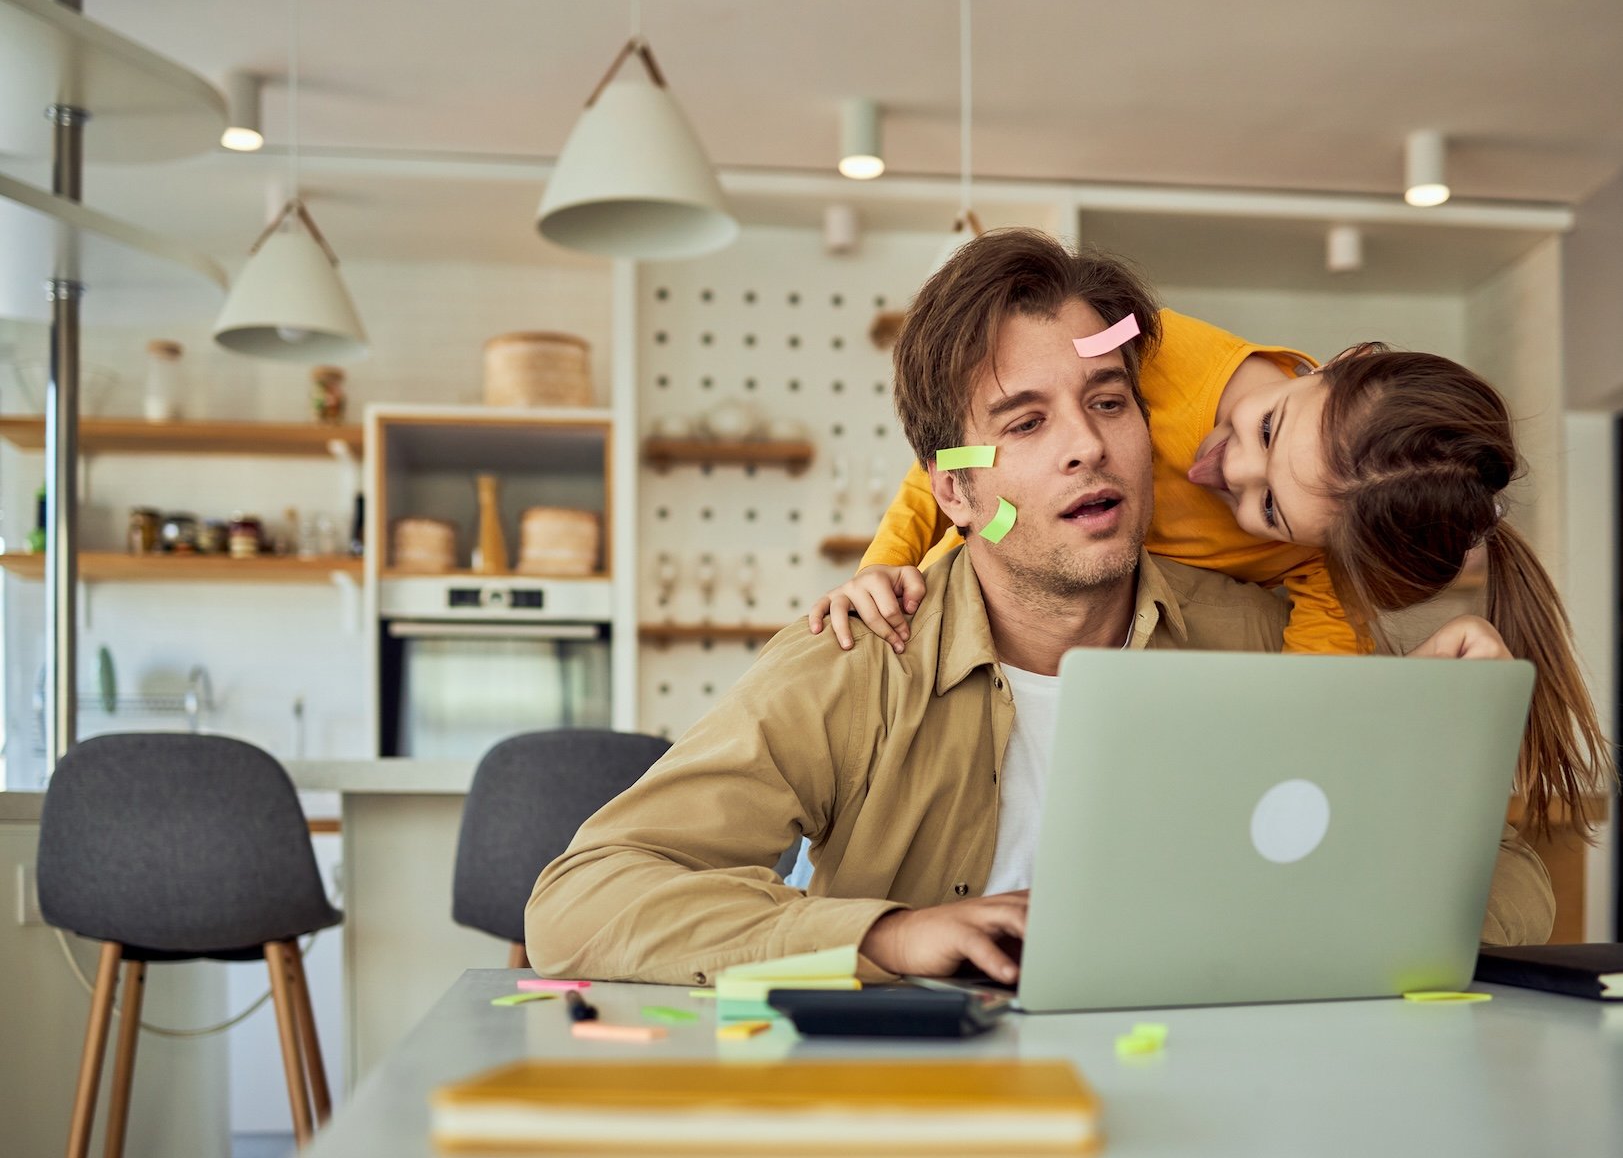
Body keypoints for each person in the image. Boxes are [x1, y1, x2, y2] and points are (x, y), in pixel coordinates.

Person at [524, 230, 1554, 987]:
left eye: (1109, 403)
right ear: (956, 491)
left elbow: (1518, 895)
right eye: (1026, 421)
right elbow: (578, 901)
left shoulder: (1264, 637)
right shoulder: (860, 652)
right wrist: (880, 935)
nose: (1086, 444)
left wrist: (1432, 760)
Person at [811, 281, 1609, 840]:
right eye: (1268, 431)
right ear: (1330, 363)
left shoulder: (1324, 576)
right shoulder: (1140, 346)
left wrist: (1412, 708)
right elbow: (963, 452)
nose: (1230, 470)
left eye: (1268, 510)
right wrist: (886, 562)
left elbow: (1309, 740)